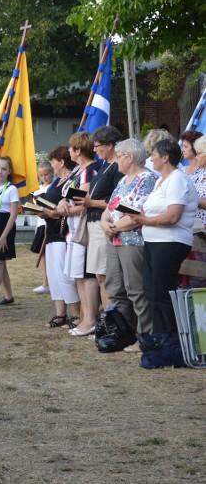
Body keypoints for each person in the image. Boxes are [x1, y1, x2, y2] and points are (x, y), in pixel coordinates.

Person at [130, 139, 198, 368]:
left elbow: (173, 216)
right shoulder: (161, 180)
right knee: (151, 291)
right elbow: (151, 209)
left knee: (162, 292)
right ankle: (161, 340)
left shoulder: (178, 179)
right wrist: (137, 215)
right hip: (154, 241)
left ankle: (174, 342)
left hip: (170, 242)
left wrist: (144, 220)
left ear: (166, 157)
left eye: (154, 155)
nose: (151, 159)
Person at [99, 139, 156, 352]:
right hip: (114, 239)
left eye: (119, 157)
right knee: (115, 288)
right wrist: (106, 222)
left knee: (136, 290)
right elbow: (109, 207)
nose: (116, 162)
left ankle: (145, 337)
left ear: (130, 157)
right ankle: (123, 333)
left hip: (133, 241)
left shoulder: (148, 179)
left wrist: (113, 227)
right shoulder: (123, 181)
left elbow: (137, 214)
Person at [73, 126, 123, 308]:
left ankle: (111, 322)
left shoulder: (118, 167)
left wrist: (91, 203)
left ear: (110, 145)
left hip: (105, 225)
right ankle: (107, 321)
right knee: (100, 276)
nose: (94, 150)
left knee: (105, 276)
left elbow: (117, 200)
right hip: (95, 223)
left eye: (97, 146)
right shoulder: (106, 166)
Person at [58, 132, 101, 337]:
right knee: (77, 275)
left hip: (83, 227)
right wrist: (61, 204)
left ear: (78, 150)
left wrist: (64, 208)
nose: (68, 151)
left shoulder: (90, 171)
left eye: (71, 147)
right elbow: (66, 196)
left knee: (86, 274)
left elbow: (83, 202)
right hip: (72, 229)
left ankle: (91, 318)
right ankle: (85, 318)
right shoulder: (77, 170)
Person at [40, 147, 80, 328]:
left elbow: (69, 206)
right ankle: (60, 313)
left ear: (62, 162)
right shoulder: (57, 181)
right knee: (54, 275)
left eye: (53, 162)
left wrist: (52, 212)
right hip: (51, 231)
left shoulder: (72, 180)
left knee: (66, 276)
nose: (52, 166)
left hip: (64, 232)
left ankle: (76, 314)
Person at [0, 157, 19, 306]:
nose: (0, 172)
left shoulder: (11, 189)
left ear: (9, 171)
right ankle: (8, 296)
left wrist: (3, 236)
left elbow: (13, 214)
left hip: (5, 225)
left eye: (3, 169)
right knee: (0, 263)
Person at [30, 161, 54, 294]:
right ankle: (46, 281)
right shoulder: (38, 189)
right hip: (41, 224)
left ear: (52, 173)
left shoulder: (54, 186)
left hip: (51, 222)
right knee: (43, 253)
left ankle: (53, 281)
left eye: (47, 174)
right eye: (41, 175)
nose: (44, 177)